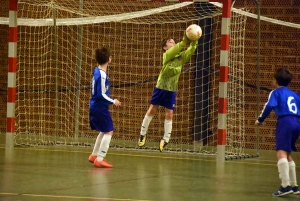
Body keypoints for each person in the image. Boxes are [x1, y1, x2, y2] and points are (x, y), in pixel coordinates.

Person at [138, 32, 198, 152]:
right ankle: (142, 134)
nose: (173, 43)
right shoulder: (166, 55)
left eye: (174, 42)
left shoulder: (180, 57)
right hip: (160, 87)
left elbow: (191, 50)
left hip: (171, 90)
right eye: (170, 42)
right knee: (152, 109)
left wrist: (194, 40)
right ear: (165, 47)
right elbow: (174, 51)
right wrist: (183, 42)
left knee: (169, 113)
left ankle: (165, 139)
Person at [254, 68, 300, 196]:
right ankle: (294, 186)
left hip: (285, 121)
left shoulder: (275, 93)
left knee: (281, 152)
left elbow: (269, 106)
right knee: (287, 153)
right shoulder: (295, 95)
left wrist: (260, 120)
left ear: (275, 81)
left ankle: (285, 186)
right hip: (296, 122)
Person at [88, 47, 121, 168]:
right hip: (99, 107)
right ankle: (100, 158)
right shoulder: (101, 74)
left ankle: (94, 155)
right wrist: (113, 101)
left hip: (96, 106)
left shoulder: (97, 70)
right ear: (109, 59)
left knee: (104, 130)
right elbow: (100, 94)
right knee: (109, 131)